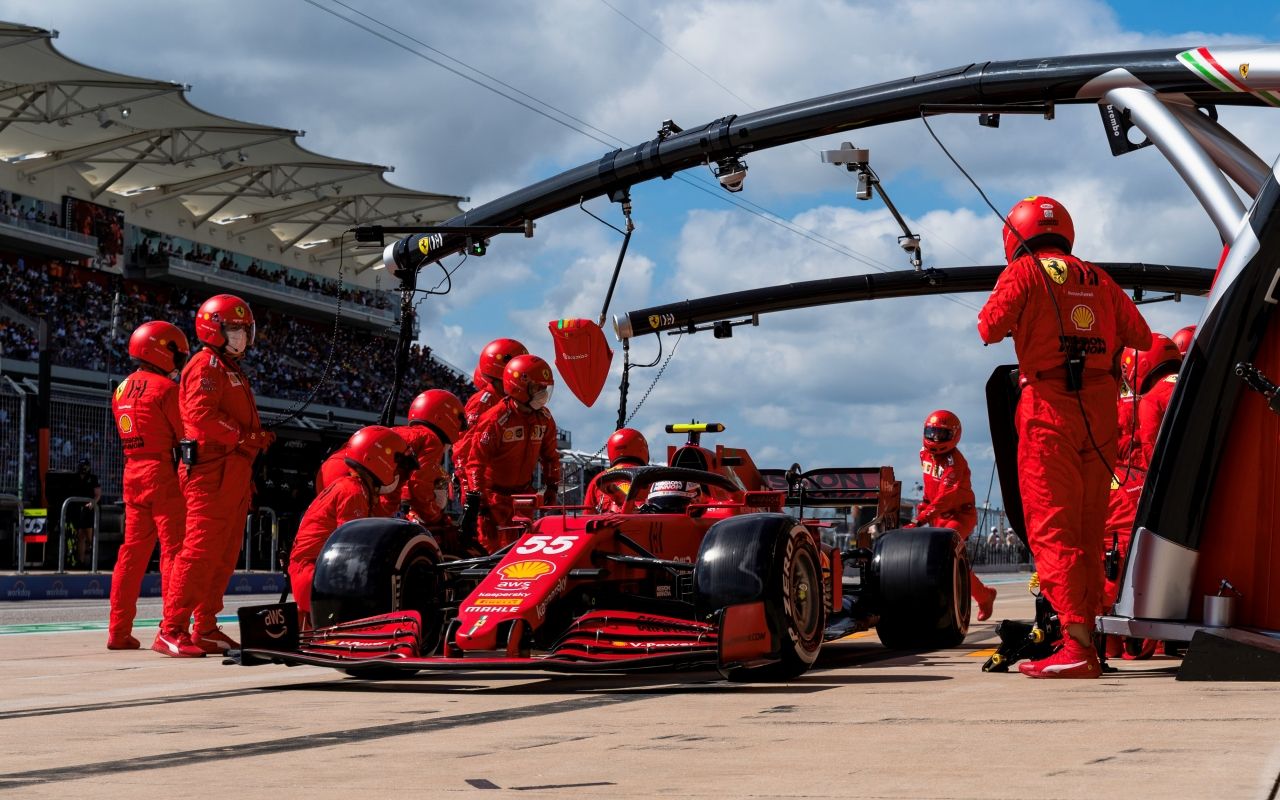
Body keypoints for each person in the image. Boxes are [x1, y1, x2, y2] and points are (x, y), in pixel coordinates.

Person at [977, 195, 1151, 679]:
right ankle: (1090, 638)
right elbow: (1140, 335)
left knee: (1051, 530)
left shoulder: (1024, 272)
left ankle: (1075, 648)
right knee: (1089, 533)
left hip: (1049, 406)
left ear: (1014, 235)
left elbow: (988, 327)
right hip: (1099, 412)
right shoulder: (1098, 276)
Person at [156, 294, 271, 658]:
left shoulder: (228, 367)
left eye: (243, 329)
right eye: (234, 328)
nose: (241, 335)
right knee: (199, 551)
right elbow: (202, 417)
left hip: (233, 471)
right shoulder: (206, 365)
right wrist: (246, 436)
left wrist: (249, 445)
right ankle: (171, 629)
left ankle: (204, 626)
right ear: (215, 328)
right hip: (211, 472)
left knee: (223, 554)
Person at [107, 321, 190, 650]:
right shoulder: (167, 390)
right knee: (173, 552)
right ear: (161, 351)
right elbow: (186, 435)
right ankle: (171, 627)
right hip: (163, 473)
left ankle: (118, 631)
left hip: (132, 472)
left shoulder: (121, 389)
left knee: (131, 555)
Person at [290, 426, 411, 628]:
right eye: (397, 466)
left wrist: (396, 489)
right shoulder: (352, 492)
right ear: (379, 460)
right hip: (314, 578)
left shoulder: (358, 489)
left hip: (316, 575)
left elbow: (378, 523)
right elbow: (353, 550)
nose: (398, 473)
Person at [459, 354, 560, 551]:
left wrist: (552, 486)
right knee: (491, 553)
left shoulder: (545, 419)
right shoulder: (496, 419)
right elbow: (475, 462)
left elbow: (551, 456)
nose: (543, 393)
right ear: (519, 386)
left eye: (544, 388)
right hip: (492, 501)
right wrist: (475, 498)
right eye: (537, 387)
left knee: (522, 551)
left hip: (523, 499)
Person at [911, 410, 998, 621]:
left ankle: (960, 603)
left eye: (942, 435)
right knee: (949, 561)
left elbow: (946, 496)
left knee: (945, 555)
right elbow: (930, 484)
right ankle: (984, 595)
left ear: (955, 435)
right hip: (937, 514)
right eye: (932, 433)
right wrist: (924, 505)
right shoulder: (924, 453)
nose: (935, 439)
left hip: (960, 515)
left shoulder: (955, 462)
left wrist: (921, 518)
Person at [453, 338, 527, 494]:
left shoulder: (514, 401)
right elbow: (463, 446)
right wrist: (468, 486)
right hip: (485, 490)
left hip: (507, 488)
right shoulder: (483, 401)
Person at [583, 428, 649, 513]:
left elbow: (587, 516)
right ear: (643, 449)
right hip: (643, 523)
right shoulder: (652, 477)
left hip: (608, 525)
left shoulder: (598, 480)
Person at [69, 459, 101, 568]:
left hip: (89, 510)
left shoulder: (93, 478)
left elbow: (97, 494)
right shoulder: (74, 478)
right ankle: (81, 562)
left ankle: (94, 562)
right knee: (80, 535)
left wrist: (93, 503)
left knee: (90, 536)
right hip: (78, 509)